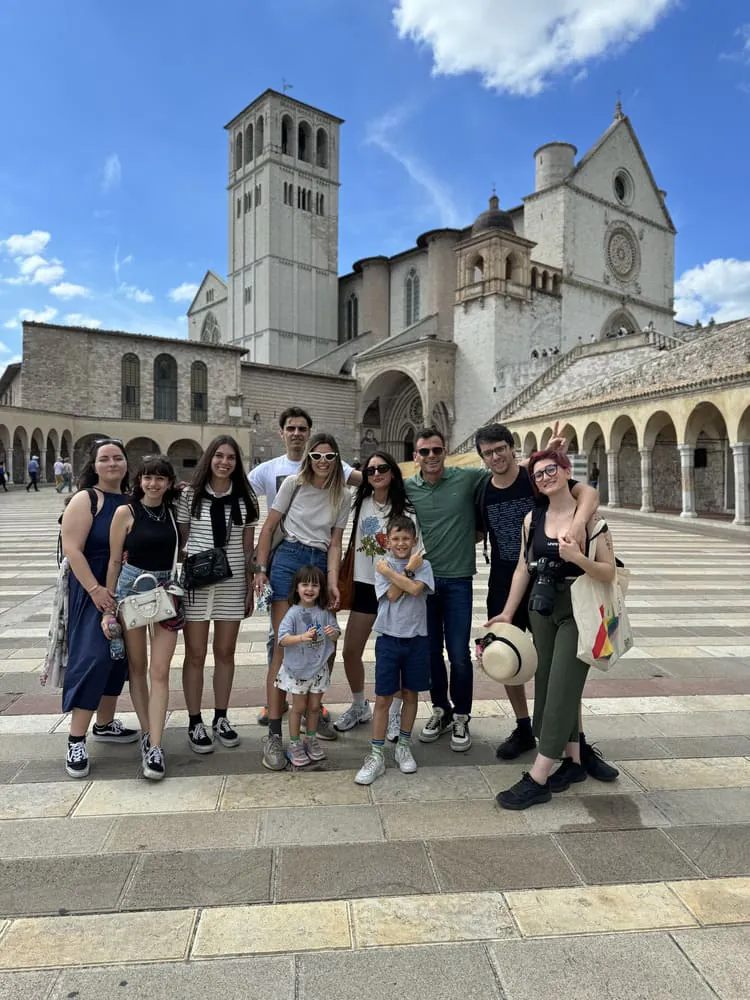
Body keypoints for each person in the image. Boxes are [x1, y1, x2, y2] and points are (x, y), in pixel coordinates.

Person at [474, 423, 613, 776]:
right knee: (509, 656)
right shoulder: (482, 488)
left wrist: (578, 524)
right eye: (488, 453)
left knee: (564, 670)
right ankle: (524, 727)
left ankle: (576, 745)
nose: (496, 456)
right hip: (508, 580)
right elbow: (475, 530)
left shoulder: (533, 476)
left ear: (512, 448)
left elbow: (587, 493)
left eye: (500, 449)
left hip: (553, 580)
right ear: (482, 458)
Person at [249, 406, 360, 737]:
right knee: (283, 641)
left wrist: (333, 582)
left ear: (337, 459)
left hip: (320, 561)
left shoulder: (343, 495)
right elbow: (269, 528)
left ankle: (313, 711)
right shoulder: (293, 483)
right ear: (309, 457)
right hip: (288, 557)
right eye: (317, 456)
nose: (322, 461)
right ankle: (275, 729)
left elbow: (335, 543)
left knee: (325, 640)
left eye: (329, 456)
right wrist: (261, 569)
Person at [400, 426, 490, 753]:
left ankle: (462, 715)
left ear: (445, 452)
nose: (431, 456)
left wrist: (544, 458)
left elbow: (503, 472)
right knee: (430, 652)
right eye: (424, 451)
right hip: (423, 583)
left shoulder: (466, 478)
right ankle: (441, 709)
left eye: (436, 450)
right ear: (416, 457)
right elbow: (373, 482)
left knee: (459, 654)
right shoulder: (408, 486)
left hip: (458, 581)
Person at [60, 438, 139, 778]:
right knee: (92, 657)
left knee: (118, 659)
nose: (112, 464)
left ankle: (105, 724)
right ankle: (76, 739)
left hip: (125, 587)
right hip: (91, 586)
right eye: (104, 459)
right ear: (93, 465)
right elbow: (72, 548)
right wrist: (95, 590)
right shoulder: (87, 499)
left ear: (126, 463)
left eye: (117, 458)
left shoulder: (132, 500)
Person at [177, 435, 259, 754]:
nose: (225, 462)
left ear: (237, 463)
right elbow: (183, 540)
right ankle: (194, 720)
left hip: (232, 581)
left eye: (231, 458)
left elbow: (248, 547)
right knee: (195, 654)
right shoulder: (190, 496)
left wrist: (250, 586)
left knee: (225, 651)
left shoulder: (246, 499)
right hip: (197, 584)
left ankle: (221, 717)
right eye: (219, 456)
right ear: (209, 458)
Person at [335, 451, 421, 734]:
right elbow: (337, 469)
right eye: (370, 470)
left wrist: (399, 582)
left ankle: (394, 713)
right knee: (350, 651)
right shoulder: (360, 502)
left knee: (395, 656)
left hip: (396, 587)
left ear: (393, 472)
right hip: (364, 583)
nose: (376, 474)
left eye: (382, 469)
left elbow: (417, 553)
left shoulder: (406, 508)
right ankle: (359, 704)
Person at [106, 455, 181, 780]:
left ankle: (156, 745)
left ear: (169, 482)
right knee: (138, 667)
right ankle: (148, 734)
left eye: (160, 478)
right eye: (148, 477)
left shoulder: (174, 513)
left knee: (160, 671)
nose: (153, 483)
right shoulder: (126, 512)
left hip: (165, 590)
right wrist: (108, 606)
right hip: (131, 589)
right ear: (139, 481)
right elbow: (114, 562)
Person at [355, 515, 434, 785]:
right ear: (387, 542)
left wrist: (401, 573)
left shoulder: (423, 564)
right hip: (389, 638)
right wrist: (400, 572)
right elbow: (390, 595)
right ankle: (376, 753)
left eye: (406, 539)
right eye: (396, 539)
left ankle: (403, 745)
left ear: (414, 540)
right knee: (383, 697)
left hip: (416, 638)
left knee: (411, 694)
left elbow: (415, 590)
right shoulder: (383, 565)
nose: (401, 543)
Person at [277, 566, 341, 767]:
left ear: (321, 589)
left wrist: (333, 634)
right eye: (305, 584)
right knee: (298, 707)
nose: (309, 589)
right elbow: (282, 639)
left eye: (315, 585)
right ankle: (294, 743)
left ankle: (311, 739)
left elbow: (336, 633)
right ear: (296, 588)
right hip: (298, 670)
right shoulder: (292, 613)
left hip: (319, 668)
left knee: (314, 707)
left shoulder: (324, 612)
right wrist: (301, 637)